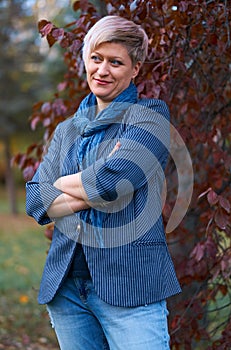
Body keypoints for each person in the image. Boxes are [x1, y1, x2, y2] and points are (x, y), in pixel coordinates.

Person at [26, 15, 181, 350]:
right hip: (68, 290)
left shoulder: (149, 117)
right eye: (96, 58)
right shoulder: (68, 129)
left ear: (135, 69)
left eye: (116, 62)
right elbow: (36, 200)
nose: (103, 70)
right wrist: (95, 185)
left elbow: (114, 181)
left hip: (132, 286)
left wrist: (63, 184)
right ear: (85, 60)